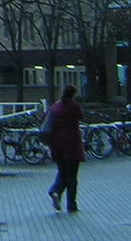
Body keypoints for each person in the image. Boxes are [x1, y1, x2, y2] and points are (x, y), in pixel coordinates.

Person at [46, 84, 84, 213]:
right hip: (72, 144)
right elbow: (81, 116)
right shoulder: (74, 106)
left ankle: (56, 191)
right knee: (72, 176)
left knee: (62, 172)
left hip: (57, 145)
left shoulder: (55, 107)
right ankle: (71, 205)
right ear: (73, 94)